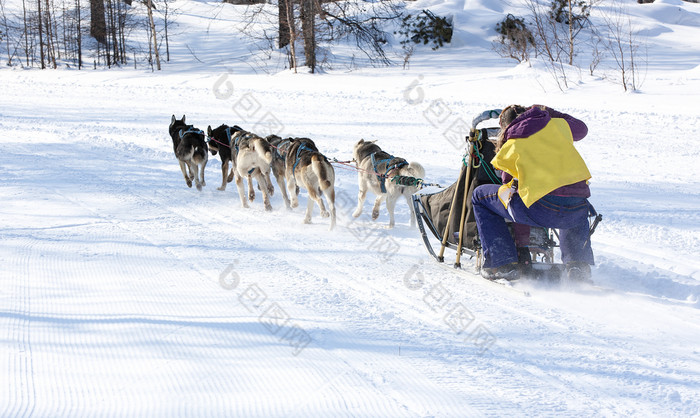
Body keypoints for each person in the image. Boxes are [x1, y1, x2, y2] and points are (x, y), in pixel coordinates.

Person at [471, 104, 594, 281]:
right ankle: (577, 266)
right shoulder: (557, 126)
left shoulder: (511, 144)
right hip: (577, 209)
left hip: (539, 210)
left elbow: (509, 186)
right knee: (572, 199)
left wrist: (521, 239)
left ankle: (503, 263)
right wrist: (548, 112)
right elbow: (582, 129)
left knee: (480, 196)